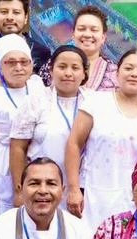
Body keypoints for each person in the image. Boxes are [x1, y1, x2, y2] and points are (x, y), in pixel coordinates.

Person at [64, 49, 137, 229]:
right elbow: (74, 144)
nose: (134, 74)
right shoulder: (96, 103)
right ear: (117, 73)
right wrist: (73, 188)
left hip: (136, 199)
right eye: (128, 68)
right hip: (97, 194)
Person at [0, 34, 44, 221]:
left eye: (24, 62)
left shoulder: (37, 86)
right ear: (0, 66)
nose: (19, 67)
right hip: (2, 165)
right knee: (5, 221)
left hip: (34, 159)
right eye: (11, 62)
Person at [10, 44, 89, 190]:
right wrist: (20, 191)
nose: (68, 73)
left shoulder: (93, 102)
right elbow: (18, 147)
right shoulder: (35, 101)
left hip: (84, 187)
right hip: (41, 186)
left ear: (84, 73)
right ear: (51, 70)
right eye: (62, 67)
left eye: (75, 68)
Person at [0, 0, 51, 85]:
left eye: (16, 12)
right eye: (4, 12)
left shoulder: (41, 52)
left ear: (26, 18)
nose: (9, 17)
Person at [70, 6, 120, 92]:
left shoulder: (116, 74)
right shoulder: (53, 66)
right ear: (73, 35)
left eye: (94, 30)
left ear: (103, 38)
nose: (87, 34)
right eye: (81, 29)